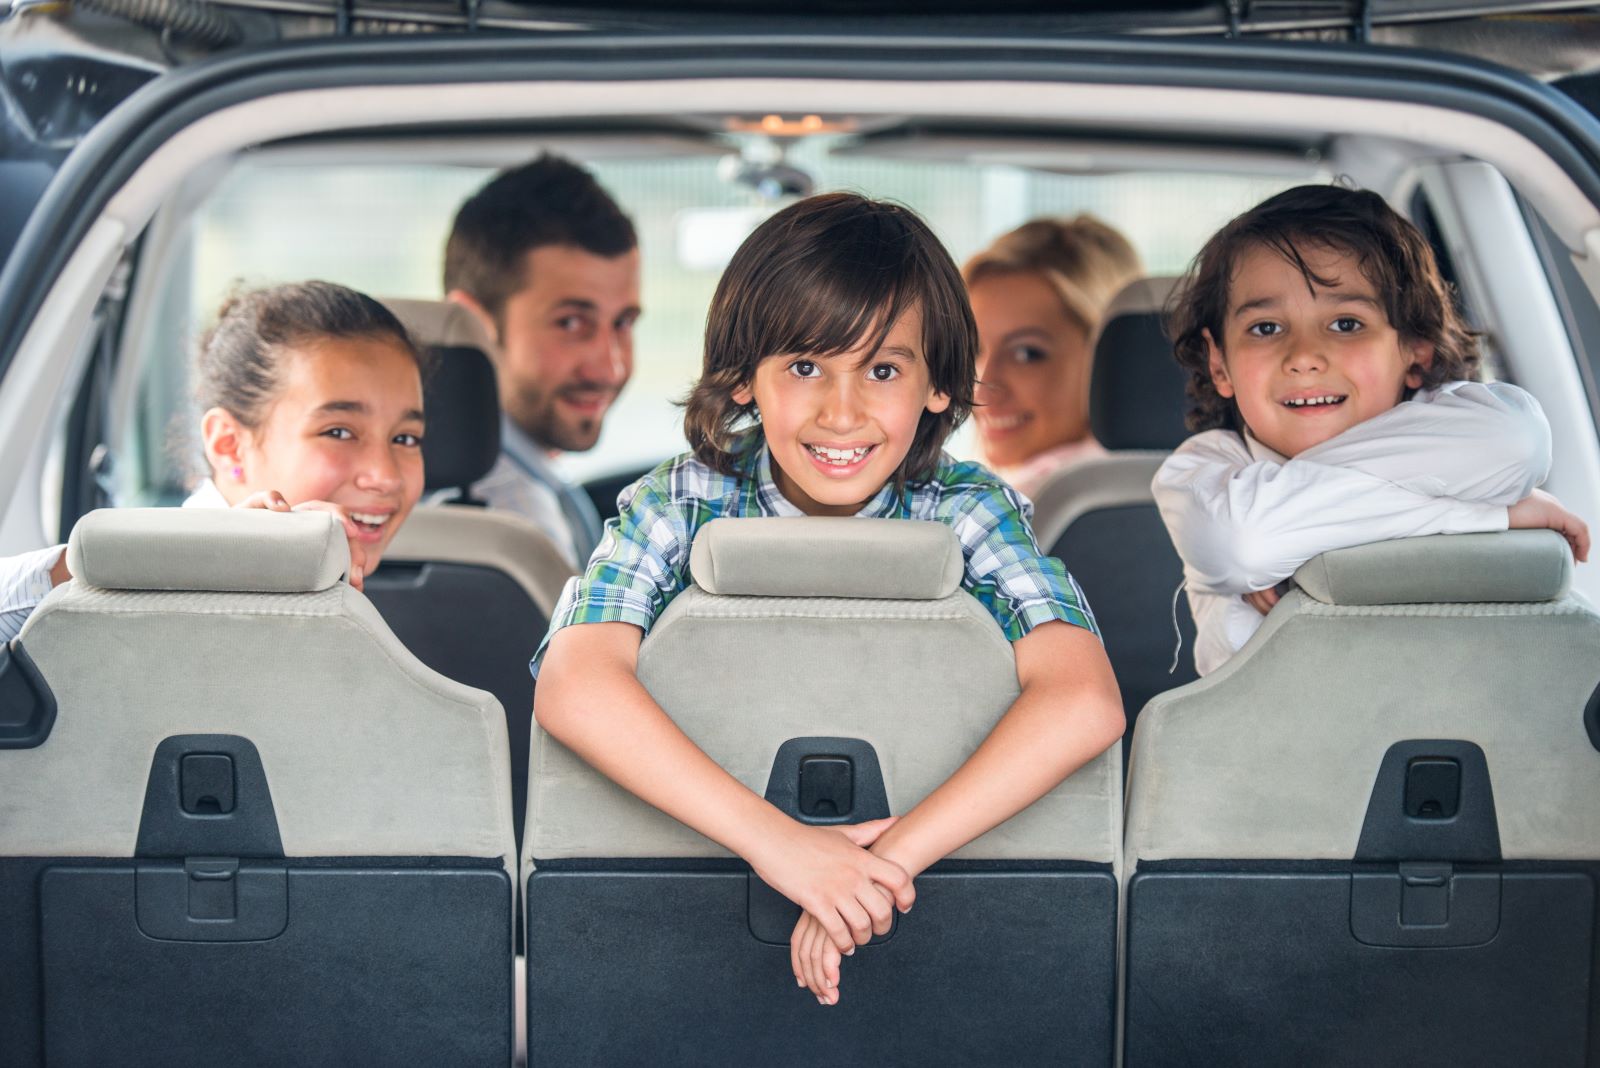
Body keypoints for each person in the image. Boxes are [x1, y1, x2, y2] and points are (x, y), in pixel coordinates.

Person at [533, 193, 1124, 1007]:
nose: (841, 412)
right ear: (745, 380)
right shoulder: (676, 501)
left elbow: (1085, 700)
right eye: (805, 366)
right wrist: (785, 850)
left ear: (938, 388)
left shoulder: (969, 508)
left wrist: (875, 869)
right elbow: (574, 684)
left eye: (882, 370)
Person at [1153, 184, 1590, 677]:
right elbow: (1246, 545)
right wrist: (1486, 514)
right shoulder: (1201, 470)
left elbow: (1519, 440)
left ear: (1415, 348)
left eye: (1345, 324)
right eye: (1266, 328)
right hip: (1268, 747)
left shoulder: (1453, 422)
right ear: (1219, 364)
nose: (1303, 358)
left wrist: (1296, 538)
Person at [0, 280, 427, 642]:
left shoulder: (396, 612)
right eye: (338, 432)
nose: (385, 476)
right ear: (228, 445)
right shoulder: (122, 589)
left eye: (406, 438)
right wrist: (201, 557)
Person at [442, 154, 641, 568]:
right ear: (474, 323)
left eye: (623, 323)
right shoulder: (518, 519)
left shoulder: (530, 483)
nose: (611, 368)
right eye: (571, 322)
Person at [964, 215, 1142, 498]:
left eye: (1026, 353)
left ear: (1109, 357)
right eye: (973, 350)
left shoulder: (1014, 515)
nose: (981, 390)